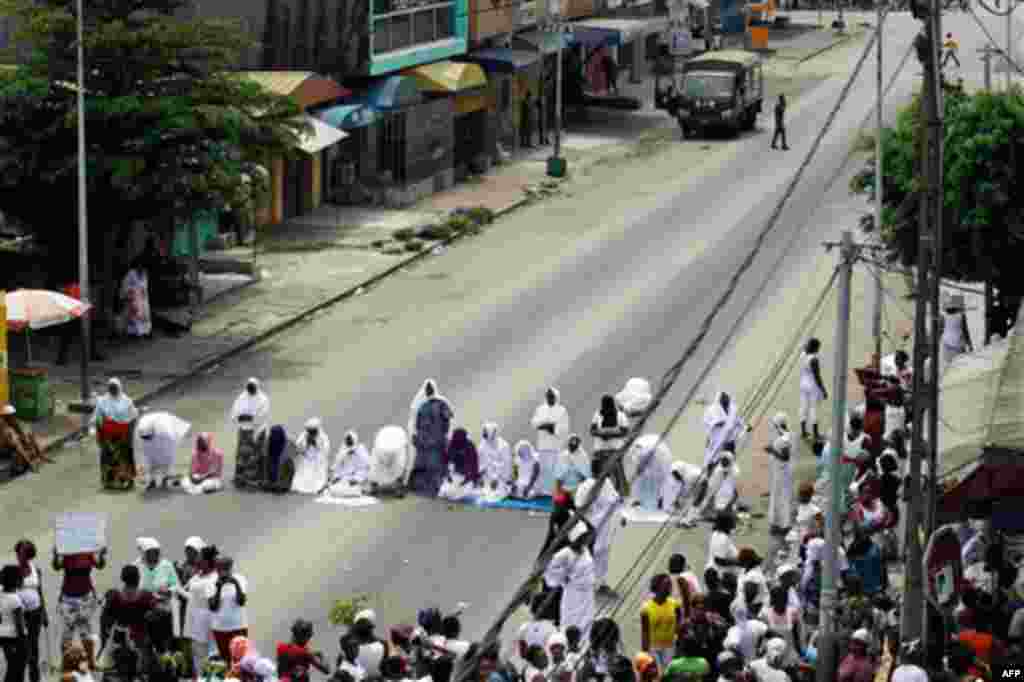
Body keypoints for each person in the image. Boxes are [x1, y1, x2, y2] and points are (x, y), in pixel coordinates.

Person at [53, 545, 107, 671]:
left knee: (86, 634)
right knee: (68, 635)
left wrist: (102, 555)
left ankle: (91, 663)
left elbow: (100, 565)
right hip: (68, 599)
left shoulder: (87, 552)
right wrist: (55, 555)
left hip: (85, 598)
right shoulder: (67, 553)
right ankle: (66, 664)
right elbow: (56, 566)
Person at [97, 564, 158, 670]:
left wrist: (103, 644)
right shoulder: (146, 596)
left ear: (122, 578)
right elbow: (156, 614)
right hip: (139, 640)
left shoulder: (114, 595)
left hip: (118, 639)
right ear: (138, 578)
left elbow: (104, 619)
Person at [544, 522, 597, 641]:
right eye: (582, 537)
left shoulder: (585, 550)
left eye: (585, 536)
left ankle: (584, 644)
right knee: (571, 621)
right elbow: (549, 570)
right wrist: (562, 577)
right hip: (573, 595)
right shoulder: (565, 553)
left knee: (587, 620)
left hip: (587, 594)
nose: (585, 539)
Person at [574, 476, 624, 594]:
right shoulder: (585, 486)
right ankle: (585, 583)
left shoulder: (607, 483)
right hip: (590, 527)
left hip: (605, 527)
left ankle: (600, 583)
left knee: (603, 554)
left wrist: (620, 515)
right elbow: (579, 507)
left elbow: (616, 501)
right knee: (590, 555)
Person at [409, 380, 455, 496]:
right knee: (423, 464)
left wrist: (445, 436)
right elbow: (415, 423)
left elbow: (448, 420)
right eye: (427, 389)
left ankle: (436, 487)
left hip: (436, 440)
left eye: (430, 388)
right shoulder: (421, 405)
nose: (429, 390)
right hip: (424, 441)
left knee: (436, 464)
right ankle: (423, 487)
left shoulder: (441, 403)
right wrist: (415, 436)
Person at [93, 378, 139, 489]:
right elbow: (98, 419)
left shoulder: (127, 401)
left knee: (125, 457)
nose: (113, 389)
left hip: (123, 435)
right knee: (108, 458)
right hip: (108, 435)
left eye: (115, 387)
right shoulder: (102, 401)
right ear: (108, 388)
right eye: (111, 387)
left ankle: (127, 480)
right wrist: (99, 435)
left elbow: (133, 417)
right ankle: (109, 481)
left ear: (119, 387)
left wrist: (130, 434)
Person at [183, 546, 219, 681]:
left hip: (210, 621)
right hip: (194, 619)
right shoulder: (196, 576)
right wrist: (173, 590)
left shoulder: (215, 577)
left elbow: (213, 601)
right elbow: (186, 591)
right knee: (197, 655)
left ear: (207, 561)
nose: (196, 560)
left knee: (212, 655)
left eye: (200, 558)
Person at [13, 541, 45, 682]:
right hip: (19, 616)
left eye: (24, 553)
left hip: (35, 613)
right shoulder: (12, 571)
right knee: (21, 650)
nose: (20, 555)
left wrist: (44, 613)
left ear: (30, 555)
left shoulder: (36, 569)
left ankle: (34, 678)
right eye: (19, 552)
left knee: (34, 649)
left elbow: (39, 591)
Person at [134, 411, 192, 490]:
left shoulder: (166, 431)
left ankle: (165, 478)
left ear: (153, 432)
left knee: (166, 459)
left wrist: (163, 457)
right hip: (150, 443)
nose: (147, 439)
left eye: (148, 437)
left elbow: (170, 449)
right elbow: (141, 447)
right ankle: (152, 481)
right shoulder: (140, 430)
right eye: (145, 437)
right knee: (149, 461)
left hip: (165, 442)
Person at [207, 556, 248, 664]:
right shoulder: (211, 581)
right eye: (220, 568)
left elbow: (241, 602)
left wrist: (236, 584)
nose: (223, 571)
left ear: (231, 567)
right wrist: (219, 588)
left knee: (240, 661)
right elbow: (213, 607)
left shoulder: (240, 579)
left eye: (226, 568)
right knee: (225, 662)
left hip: (238, 627)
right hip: (220, 629)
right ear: (217, 569)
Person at [532, 387, 571, 496]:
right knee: (544, 468)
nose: (549, 398)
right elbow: (534, 422)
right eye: (548, 396)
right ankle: (543, 490)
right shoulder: (540, 409)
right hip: (543, 444)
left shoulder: (562, 410)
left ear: (556, 397)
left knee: (555, 468)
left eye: (551, 396)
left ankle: (554, 491)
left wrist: (553, 428)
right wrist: (543, 424)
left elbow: (564, 427)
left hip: (555, 444)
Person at [590, 395, 630, 495]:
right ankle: (600, 496)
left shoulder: (620, 415)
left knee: (619, 476)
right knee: (599, 477)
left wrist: (609, 434)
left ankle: (621, 495)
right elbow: (592, 430)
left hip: (615, 451)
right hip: (600, 451)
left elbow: (625, 431)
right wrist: (601, 433)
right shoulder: (598, 414)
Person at [640, 574, 681, 670]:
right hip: (653, 648)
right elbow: (645, 631)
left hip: (670, 646)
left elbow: (679, 623)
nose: (670, 588)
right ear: (657, 587)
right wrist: (644, 652)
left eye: (670, 585)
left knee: (669, 672)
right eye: (666, 585)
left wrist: (678, 639)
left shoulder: (675, 605)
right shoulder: (646, 609)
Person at [765, 413, 794, 535]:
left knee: (781, 498)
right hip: (780, 472)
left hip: (782, 473)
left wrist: (772, 451)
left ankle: (782, 525)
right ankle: (777, 524)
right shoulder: (786, 435)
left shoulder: (785, 439)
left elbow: (785, 457)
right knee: (778, 497)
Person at [702, 392, 747, 470]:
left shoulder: (732, 409)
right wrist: (719, 422)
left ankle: (726, 469)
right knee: (713, 459)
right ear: (720, 401)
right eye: (724, 401)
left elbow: (737, 419)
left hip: (730, 440)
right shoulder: (713, 410)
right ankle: (711, 469)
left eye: (727, 400)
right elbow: (713, 423)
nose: (726, 402)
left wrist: (745, 426)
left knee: (729, 457)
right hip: (717, 440)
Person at [626, 435, 671, 511]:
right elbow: (637, 462)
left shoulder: (651, 452)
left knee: (650, 487)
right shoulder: (639, 450)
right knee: (643, 487)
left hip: (653, 475)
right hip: (648, 476)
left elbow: (643, 463)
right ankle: (639, 501)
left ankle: (648, 502)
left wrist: (641, 467)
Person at [0, 405, 50, 473]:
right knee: (16, 443)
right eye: (10, 415)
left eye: (13, 415)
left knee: (29, 435)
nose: (13, 416)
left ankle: (40, 455)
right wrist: (17, 439)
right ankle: (30, 464)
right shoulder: (2, 424)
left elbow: (20, 432)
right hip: (3, 447)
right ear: (5, 416)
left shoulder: (13, 422)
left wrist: (25, 438)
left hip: (9, 444)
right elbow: (7, 439)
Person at [759, 588, 800, 667]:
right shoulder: (765, 613)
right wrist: (761, 651)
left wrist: (799, 651)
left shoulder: (793, 612)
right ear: (773, 600)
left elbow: (796, 634)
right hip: (770, 656)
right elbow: (762, 635)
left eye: (783, 599)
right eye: (778, 599)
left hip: (788, 655)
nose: (781, 602)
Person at [0, 564, 27, 682]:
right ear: (16, 580)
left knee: (11, 665)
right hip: (16, 638)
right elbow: (19, 625)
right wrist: (24, 642)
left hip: (3, 635)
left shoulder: (1, 594)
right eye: (20, 578)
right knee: (16, 669)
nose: (22, 580)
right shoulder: (15, 600)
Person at [325, 431, 371, 498]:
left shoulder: (361, 450)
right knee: (335, 489)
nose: (348, 443)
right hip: (345, 478)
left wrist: (357, 479)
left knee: (355, 489)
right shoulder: (343, 450)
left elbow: (365, 468)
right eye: (347, 441)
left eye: (350, 441)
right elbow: (337, 466)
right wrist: (335, 477)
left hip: (357, 477)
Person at [439, 427, 481, 501]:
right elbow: (445, 461)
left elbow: (474, 464)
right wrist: (447, 474)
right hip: (455, 475)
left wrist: (470, 478)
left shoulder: (469, 446)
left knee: (462, 494)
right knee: (445, 492)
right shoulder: (451, 444)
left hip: (467, 477)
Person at [798, 339, 828, 441]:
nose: (819, 350)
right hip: (812, 385)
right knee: (813, 409)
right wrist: (823, 390)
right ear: (815, 348)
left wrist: (806, 345)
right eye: (818, 347)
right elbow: (817, 376)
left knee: (803, 407)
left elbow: (803, 346)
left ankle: (803, 431)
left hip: (803, 384)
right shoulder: (814, 360)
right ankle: (815, 433)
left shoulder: (802, 354)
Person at [292, 418, 330, 494]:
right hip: (306, 459)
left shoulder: (323, 437)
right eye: (310, 431)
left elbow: (326, 451)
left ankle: (318, 486)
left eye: (313, 431)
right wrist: (307, 445)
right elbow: (298, 447)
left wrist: (316, 444)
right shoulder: (304, 435)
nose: (311, 433)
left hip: (317, 460)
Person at [478, 423, 513, 500]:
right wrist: (480, 475)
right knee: (482, 493)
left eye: (485, 431)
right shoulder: (483, 444)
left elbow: (506, 465)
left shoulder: (503, 445)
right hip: (487, 476)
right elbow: (480, 462)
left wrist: (496, 478)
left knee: (495, 495)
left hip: (500, 477)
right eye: (483, 431)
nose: (483, 434)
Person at [119, 258, 152, 338]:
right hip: (133, 298)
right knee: (134, 316)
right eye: (140, 266)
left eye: (143, 267)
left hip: (142, 298)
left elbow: (145, 285)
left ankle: (145, 332)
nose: (142, 268)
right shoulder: (130, 274)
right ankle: (133, 333)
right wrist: (132, 291)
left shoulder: (144, 274)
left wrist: (143, 292)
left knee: (144, 315)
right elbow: (125, 285)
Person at [705, 512, 741, 580]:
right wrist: (738, 562)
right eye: (732, 521)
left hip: (723, 572)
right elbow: (719, 560)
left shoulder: (718, 533)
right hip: (721, 575)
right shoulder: (722, 539)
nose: (734, 523)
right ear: (726, 524)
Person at [941, 295, 972, 370]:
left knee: (949, 365)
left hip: (947, 343)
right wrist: (970, 344)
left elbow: (940, 331)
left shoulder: (943, 316)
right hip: (958, 343)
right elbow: (965, 331)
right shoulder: (961, 316)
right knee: (959, 365)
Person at [668, 554, 701, 618]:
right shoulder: (689, 577)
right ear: (683, 566)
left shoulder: (666, 580)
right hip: (688, 615)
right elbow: (698, 594)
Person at [265, 424, 295, 493]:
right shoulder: (268, 443)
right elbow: (265, 462)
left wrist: (284, 484)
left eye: (277, 435)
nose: (275, 437)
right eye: (273, 434)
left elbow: (290, 470)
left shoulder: (288, 444)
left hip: (284, 476)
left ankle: (280, 484)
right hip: (272, 472)